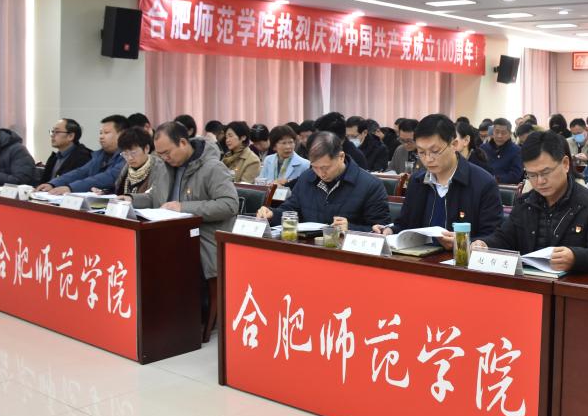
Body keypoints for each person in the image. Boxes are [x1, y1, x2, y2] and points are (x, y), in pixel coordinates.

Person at [473, 131, 588, 273]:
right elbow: (504, 238)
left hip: (570, 283)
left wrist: (575, 257)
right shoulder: (525, 202)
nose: (540, 181)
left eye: (546, 173)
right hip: (530, 281)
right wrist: (485, 244)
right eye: (532, 175)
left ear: (565, 164)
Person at [153, 121, 238, 342]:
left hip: (204, 238)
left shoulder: (212, 168)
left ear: (183, 142)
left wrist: (184, 208)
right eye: (160, 154)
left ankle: (192, 320)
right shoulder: (165, 167)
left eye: (167, 152)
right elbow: (155, 199)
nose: (164, 158)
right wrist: (130, 199)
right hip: (173, 234)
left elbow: (229, 204)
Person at [373, 114, 502, 248]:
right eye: (421, 152)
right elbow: (405, 224)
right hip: (419, 256)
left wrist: (464, 243)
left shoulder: (483, 183)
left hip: (461, 258)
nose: (428, 159)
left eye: (435, 151)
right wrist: (389, 230)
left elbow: (493, 236)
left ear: (454, 144)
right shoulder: (417, 181)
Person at [259, 132, 390, 230]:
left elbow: (381, 228)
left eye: (325, 167)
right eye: (315, 167)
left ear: (341, 157)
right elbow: (291, 209)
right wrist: (272, 214)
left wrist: (350, 228)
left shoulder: (370, 185)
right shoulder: (307, 178)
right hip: (309, 247)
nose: (321, 173)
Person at [37, 115, 128, 194]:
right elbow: (80, 172)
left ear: (121, 134)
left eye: (106, 133)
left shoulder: (128, 155)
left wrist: (71, 188)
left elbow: (108, 177)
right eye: (100, 133)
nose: (101, 136)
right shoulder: (99, 155)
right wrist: (53, 184)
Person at [109, 126, 167, 207]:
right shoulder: (126, 167)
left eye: (133, 153)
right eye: (125, 154)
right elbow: (117, 191)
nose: (130, 158)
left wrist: (131, 199)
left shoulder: (159, 167)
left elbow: (155, 199)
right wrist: (104, 192)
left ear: (146, 148)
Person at [42, 118, 92, 184]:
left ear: (70, 136)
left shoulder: (84, 158)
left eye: (57, 132)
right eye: (52, 131)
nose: (52, 135)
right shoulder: (54, 158)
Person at [481, 118, 524, 184]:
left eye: (503, 133)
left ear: (510, 134)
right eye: (497, 132)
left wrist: (495, 179)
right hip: (483, 185)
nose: (499, 136)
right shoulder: (483, 148)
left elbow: (515, 175)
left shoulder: (517, 150)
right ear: (492, 132)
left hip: (505, 187)